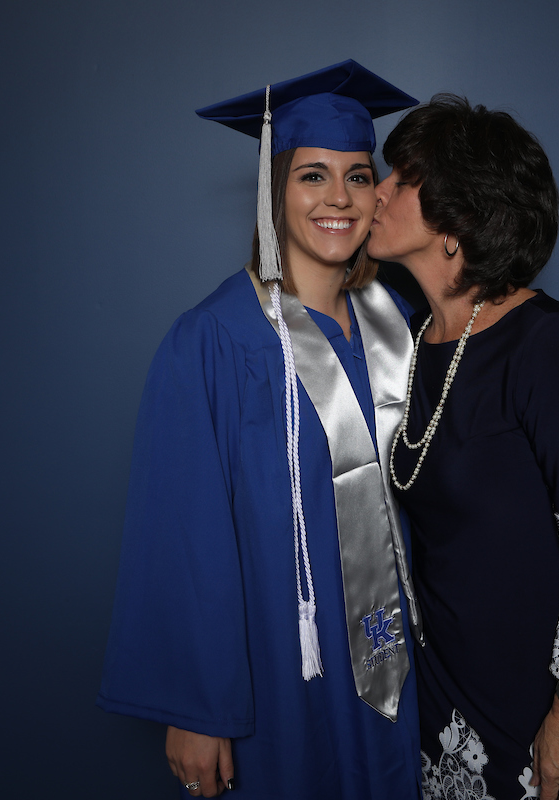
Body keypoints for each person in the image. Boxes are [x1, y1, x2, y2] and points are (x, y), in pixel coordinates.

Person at [97, 61, 426, 800]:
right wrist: (197, 707)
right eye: (312, 176)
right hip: (287, 665)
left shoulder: (395, 324)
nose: (339, 198)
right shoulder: (214, 340)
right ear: (273, 190)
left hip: (400, 654)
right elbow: (185, 532)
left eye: (358, 176)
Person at [367, 94, 559, 800]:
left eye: (401, 180)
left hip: (546, 712)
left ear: (456, 220)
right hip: (445, 700)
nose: (376, 191)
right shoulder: (405, 341)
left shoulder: (542, 344)